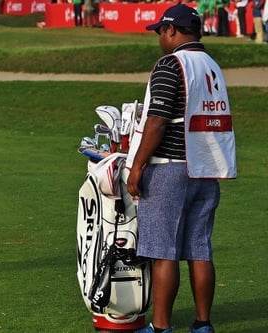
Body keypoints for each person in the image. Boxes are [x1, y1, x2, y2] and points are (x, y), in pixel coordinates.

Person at [126, 4, 237, 333]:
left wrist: (137, 165)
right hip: (206, 169)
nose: (159, 37)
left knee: (165, 252)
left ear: (172, 30)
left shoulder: (170, 64)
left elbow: (157, 121)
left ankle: (160, 328)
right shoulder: (211, 65)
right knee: (200, 250)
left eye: (161, 31)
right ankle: (203, 324)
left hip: (170, 169)